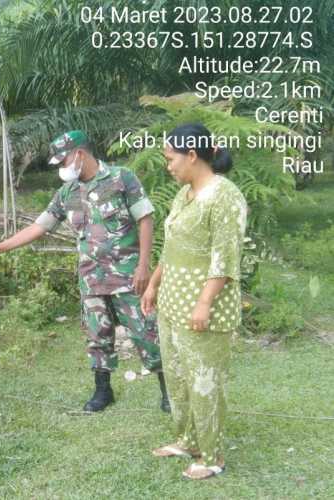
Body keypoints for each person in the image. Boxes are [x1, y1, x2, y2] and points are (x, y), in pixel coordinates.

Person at [0, 130, 169, 413]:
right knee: (97, 336)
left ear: (79, 154)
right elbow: (39, 227)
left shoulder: (120, 178)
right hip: (91, 279)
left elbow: (145, 219)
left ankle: (168, 391)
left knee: (145, 332)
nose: (61, 169)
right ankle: (103, 392)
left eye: (63, 162)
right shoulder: (68, 193)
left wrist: (143, 266)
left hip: (128, 277)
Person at [142, 123, 247, 480]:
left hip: (205, 308)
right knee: (178, 378)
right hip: (172, 303)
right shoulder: (183, 194)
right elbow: (171, 249)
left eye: (170, 158)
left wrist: (203, 303)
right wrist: (154, 285)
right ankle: (188, 440)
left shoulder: (224, 195)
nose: (167, 165)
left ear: (192, 155)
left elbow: (225, 257)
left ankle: (213, 456)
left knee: (204, 382)